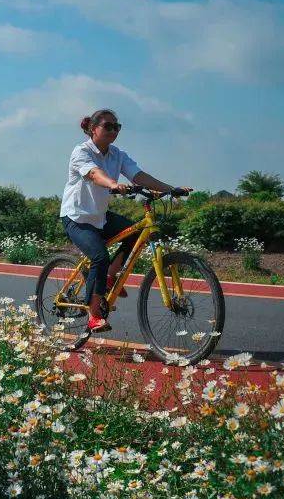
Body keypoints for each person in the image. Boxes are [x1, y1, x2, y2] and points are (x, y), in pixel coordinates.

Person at [61, 109, 190, 333]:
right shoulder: (81, 151)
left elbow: (139, 176)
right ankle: (93, 315)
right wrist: (112, 184)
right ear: (94, 129)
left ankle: (110, 277)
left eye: (117, 127)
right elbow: (94, 174)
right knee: (99, 257)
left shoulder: (118, 154)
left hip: (100, 217)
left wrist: (170, 189)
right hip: (77, 218)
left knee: (134, 231)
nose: (114, 130)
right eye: (108, 126)